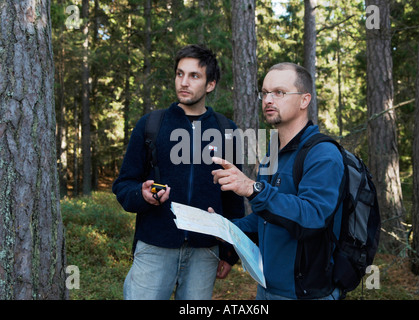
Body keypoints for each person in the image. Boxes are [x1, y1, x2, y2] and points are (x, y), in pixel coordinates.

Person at [113, 44, 244, 300]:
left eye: (194, 76)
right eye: (179, 74)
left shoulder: (227, 130)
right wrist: (142, 195)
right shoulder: (151, 125)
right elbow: (124, 185)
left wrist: (229, 252)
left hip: (205, 252)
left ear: (210, 84)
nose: (184, 82)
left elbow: (233, 198)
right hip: (154, 247)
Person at [211, 62, 344, 300]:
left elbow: (313, 217)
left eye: (279, 93)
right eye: (264, 93)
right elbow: (266, 219)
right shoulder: (272, 152)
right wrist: (227, 228)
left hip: (307, 294)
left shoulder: (323, 153)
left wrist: (253, 188)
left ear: (304, 100)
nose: (268, 100)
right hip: (266, 288)